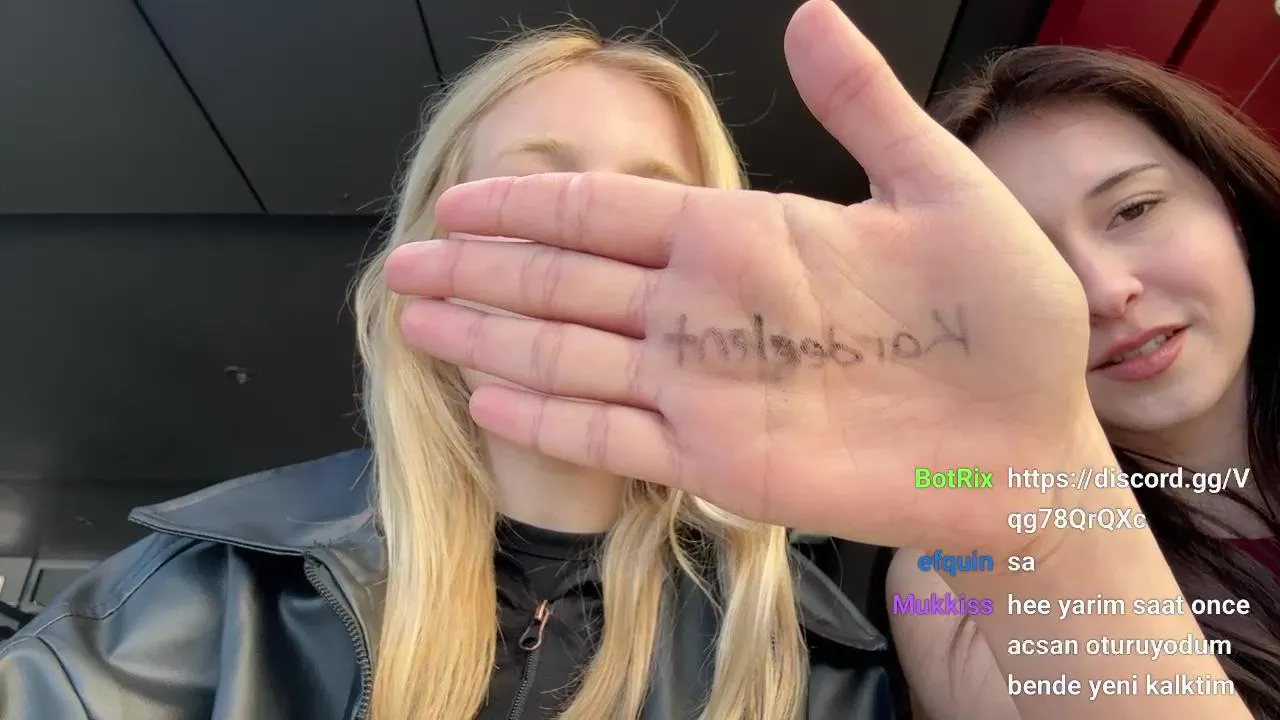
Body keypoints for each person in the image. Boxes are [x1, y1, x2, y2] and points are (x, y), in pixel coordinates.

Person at [0, 18, 910, 720]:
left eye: (652, 201)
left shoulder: (813, 662)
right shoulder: (211, 596)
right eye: (535, 189)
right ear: (435, 255)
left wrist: (1006, 496)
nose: (592, 237)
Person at [380, 1, 1257, 718]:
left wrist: (1049, 502)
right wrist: (1041, 510)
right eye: (536, 192)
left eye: (1134, 209)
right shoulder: (940, 595)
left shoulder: (811, 649)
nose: (1101, 291)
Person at [882, 43, 1280, 719]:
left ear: (1229, 206)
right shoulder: (959, 572)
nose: (1103, 292)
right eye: (1026, 264)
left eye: (1134, 210)